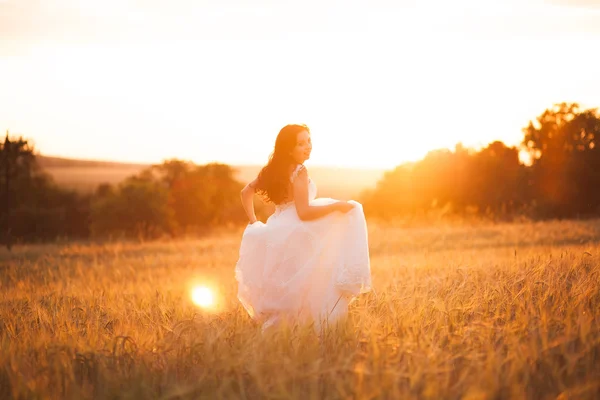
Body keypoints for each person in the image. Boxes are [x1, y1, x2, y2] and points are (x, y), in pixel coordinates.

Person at [235, 124, 371, 333]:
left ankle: (285, 333)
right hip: (296, 231)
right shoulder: (299, 170)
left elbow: (246, 192)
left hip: (277, 228)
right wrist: (336, 206)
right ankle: (314, 329)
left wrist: (255, 222)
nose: (308, 147)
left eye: (309, 141)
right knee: (313, 275)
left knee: (287, 282)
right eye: (301, 144)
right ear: (289, 149)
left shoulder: (272, 169)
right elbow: (304, 213)